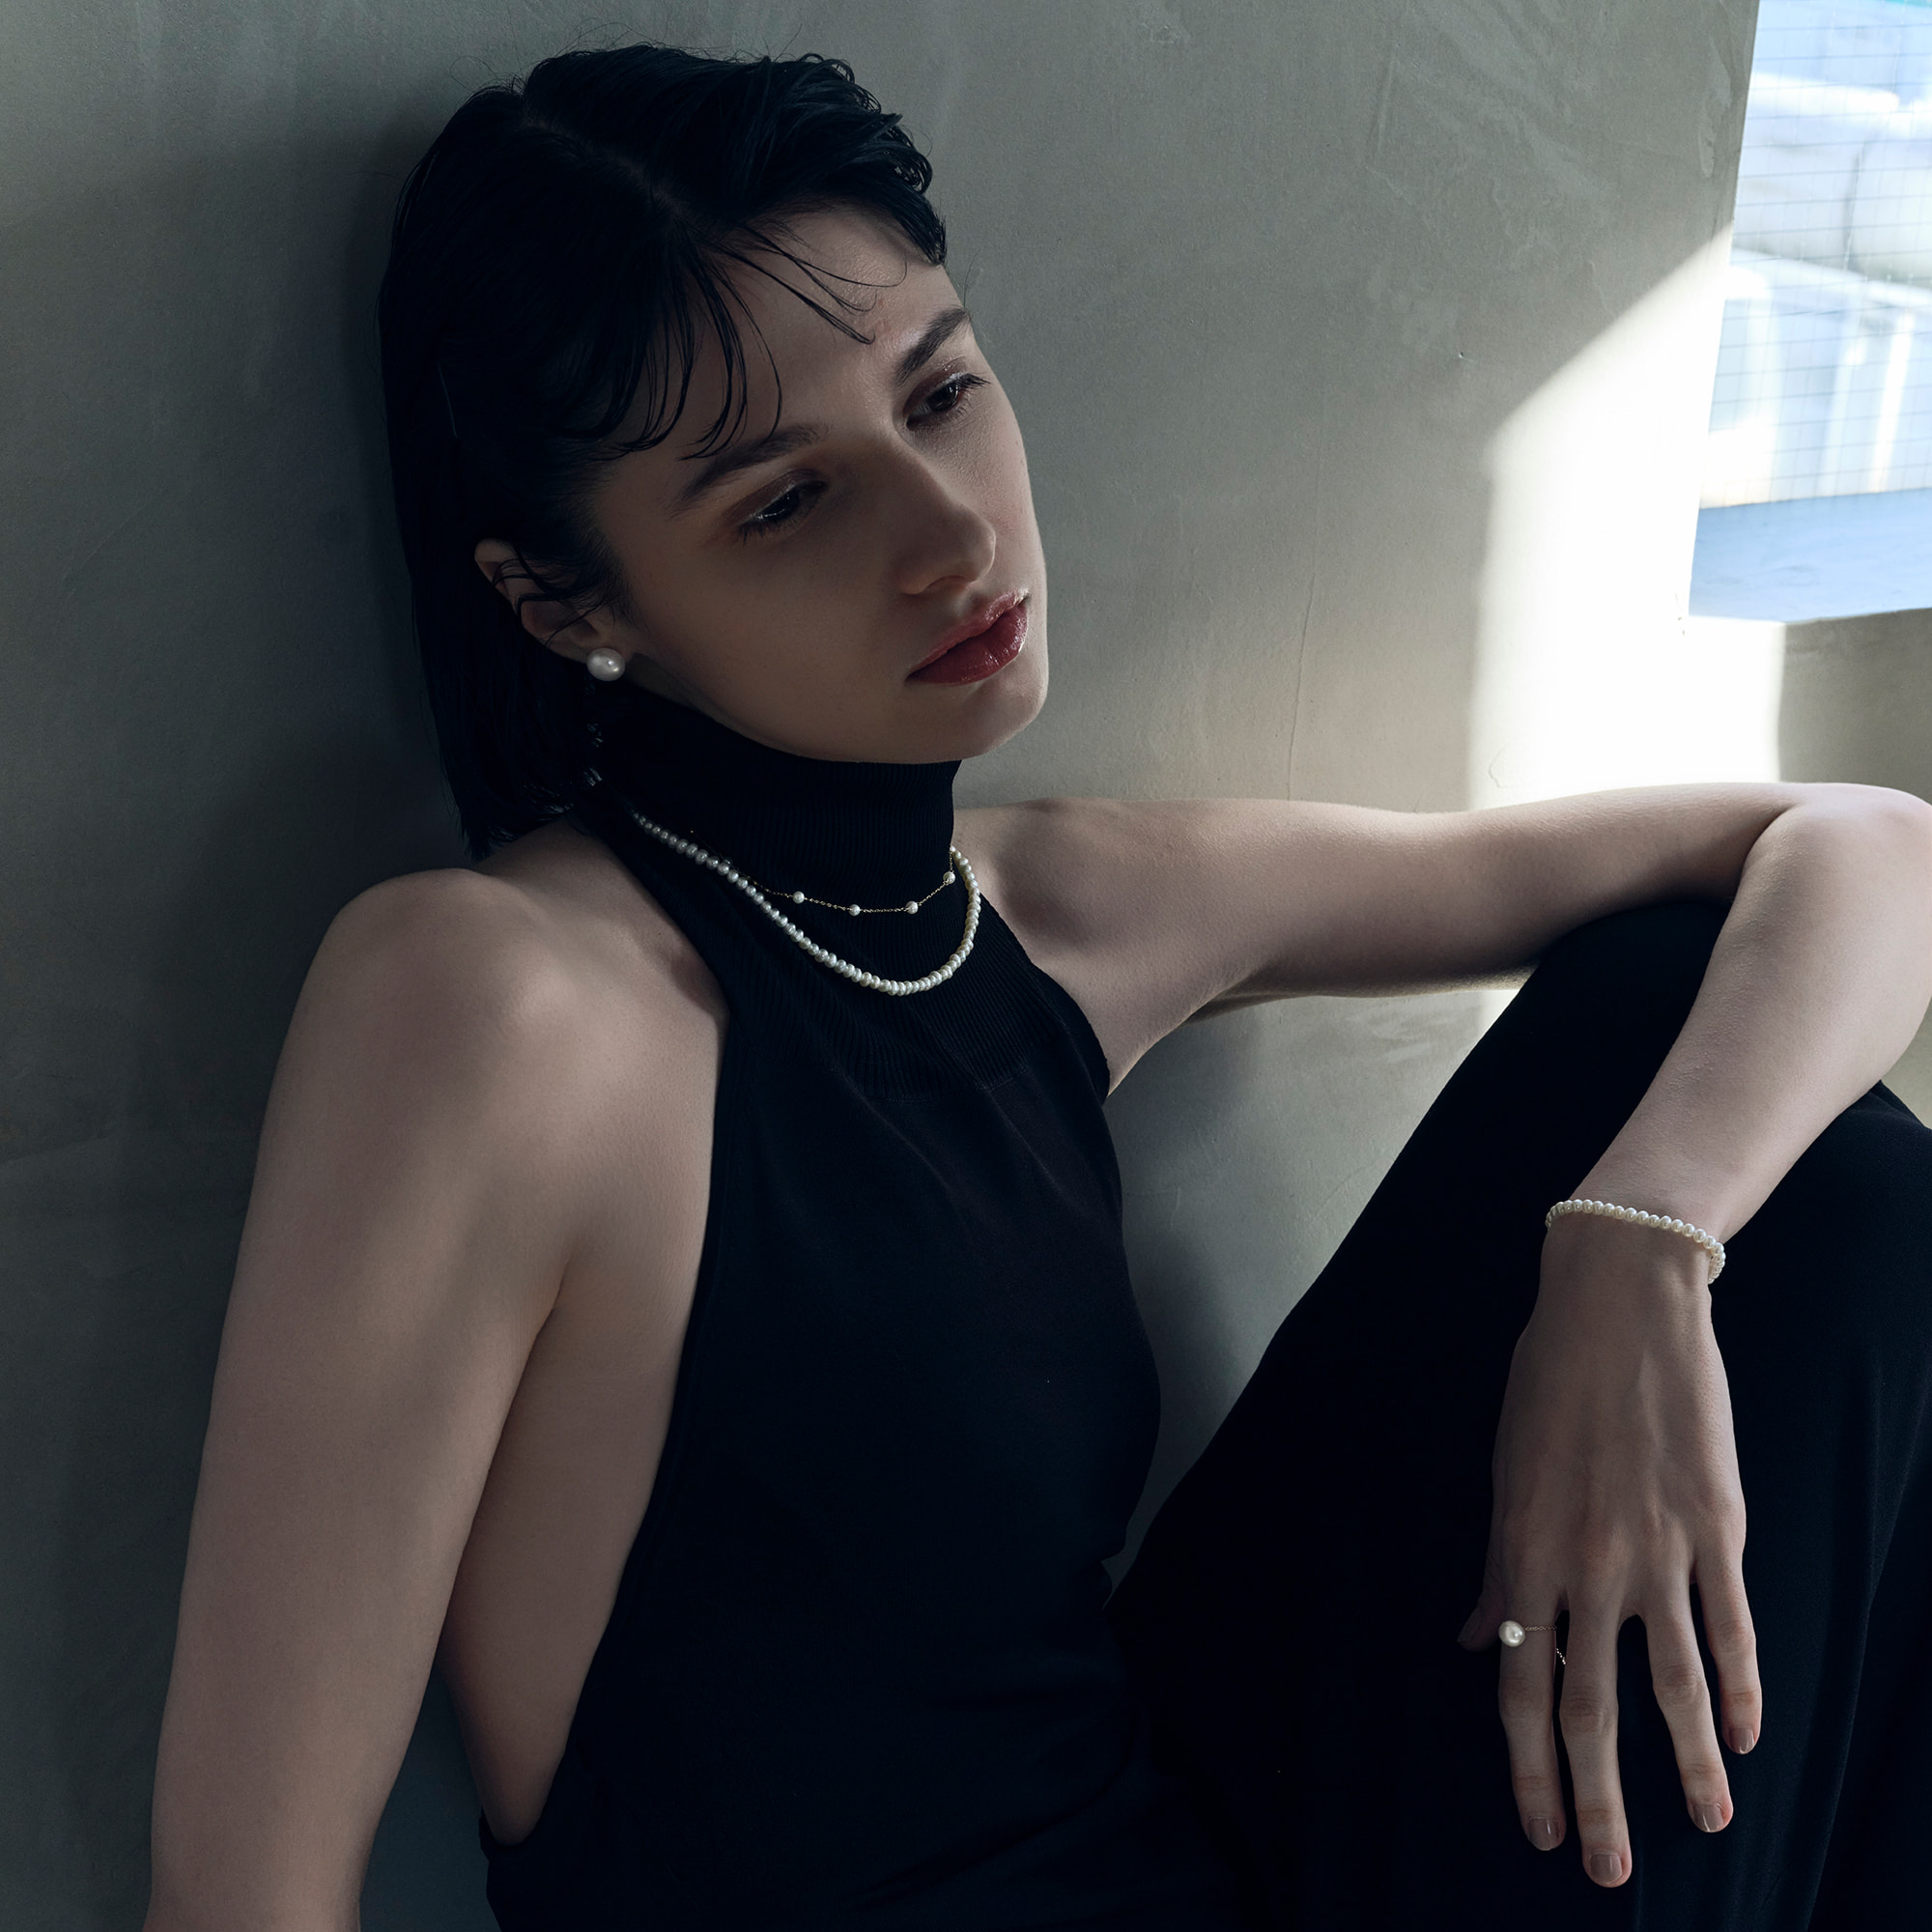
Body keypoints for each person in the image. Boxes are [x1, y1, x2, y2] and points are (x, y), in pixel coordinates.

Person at [143, 43, 1932, 1932]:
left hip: (1193, 1872)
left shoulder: (1055, 908)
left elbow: (1861, 842)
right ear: (563, 600)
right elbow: (245, 1890)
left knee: (1742, 1103)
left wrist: (1635, 1254)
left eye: (940, 391)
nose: (952, 535)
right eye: (784, 502)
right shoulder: (489, 1005)